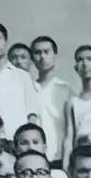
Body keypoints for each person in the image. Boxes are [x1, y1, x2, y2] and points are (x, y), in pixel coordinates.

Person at [31, 36, 73, 166]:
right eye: (38, 53)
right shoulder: (28, 88)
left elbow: (70, 130)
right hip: (32, 157)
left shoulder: (66, 90)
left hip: (59, 158)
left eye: (46, 52)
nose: (42, 57)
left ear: (54, 55)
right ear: (32, 58)